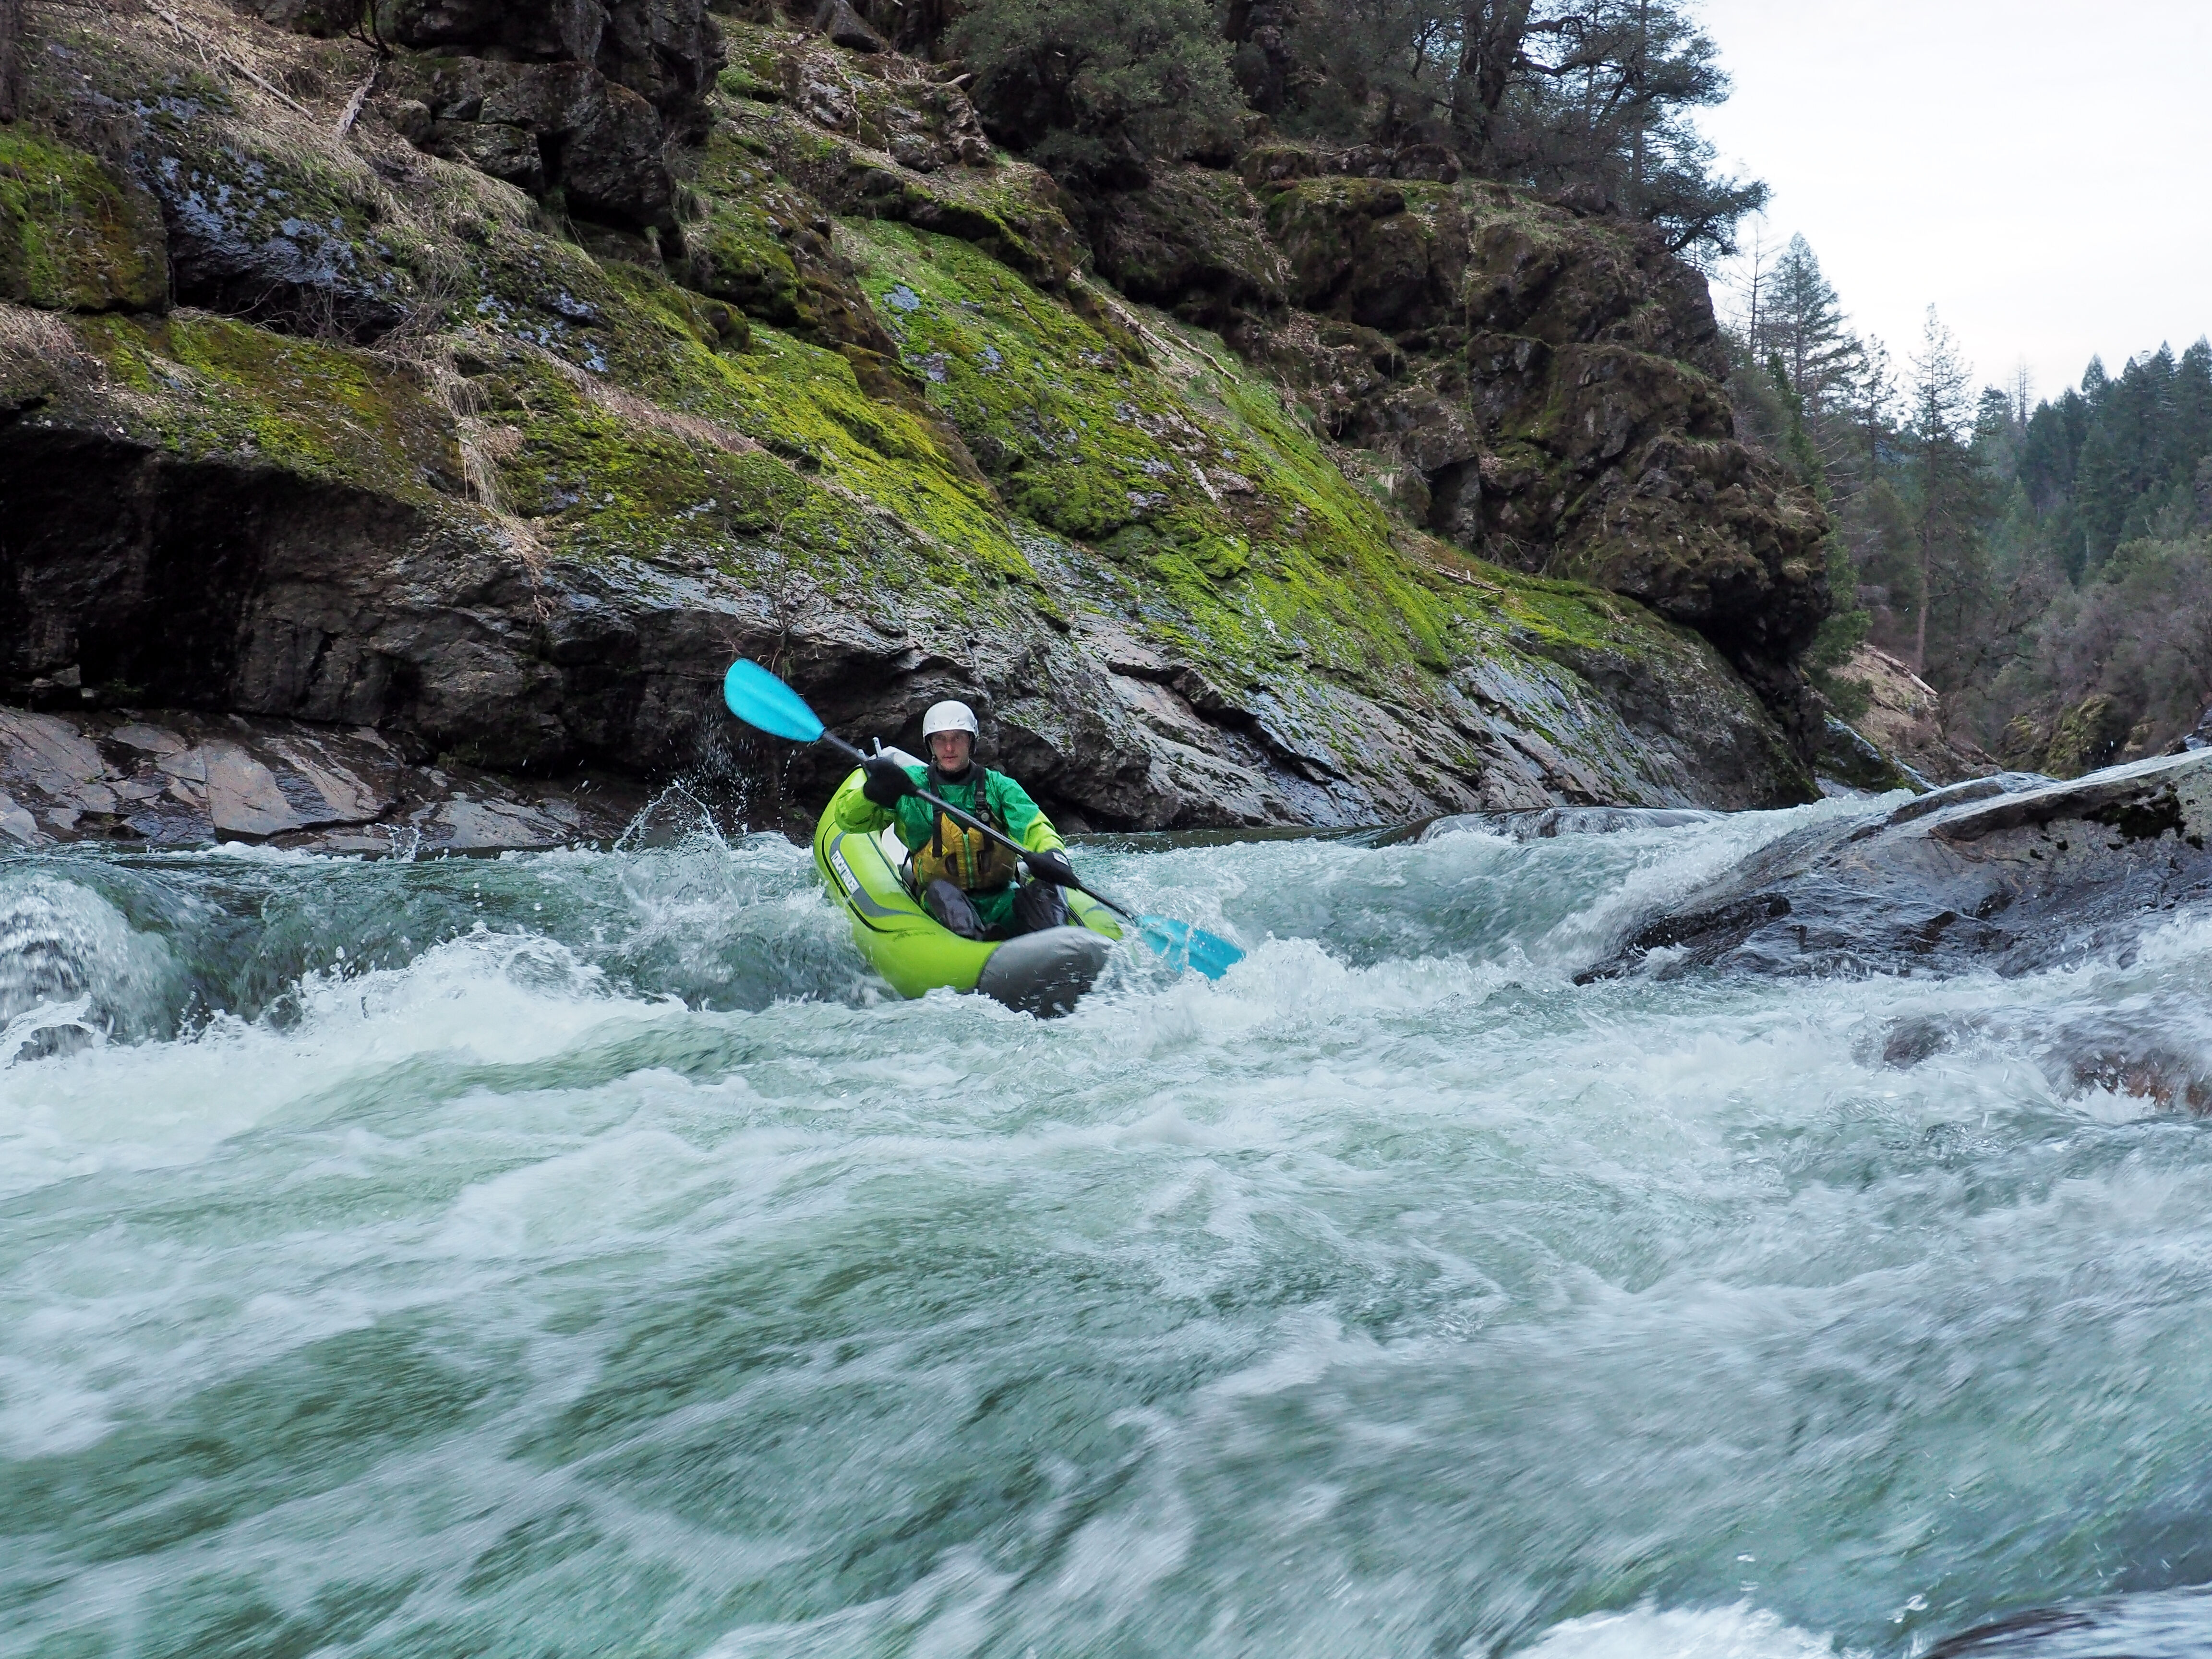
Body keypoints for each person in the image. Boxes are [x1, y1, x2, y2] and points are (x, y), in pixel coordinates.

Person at [832, 699, 1080, 941]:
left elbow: (1035, 825)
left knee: (1048, 888)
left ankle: (1058, 946)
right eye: (941, 739)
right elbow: (849, 821)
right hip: (942, 903)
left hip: (1003, 899)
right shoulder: (909, 786)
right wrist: (870, 794)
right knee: (943, 893)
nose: (949, 748)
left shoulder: (1000, 786)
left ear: (971, 742)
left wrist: (1052, 853)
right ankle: (974, 947)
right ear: (930, 745)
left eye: (957, 738)